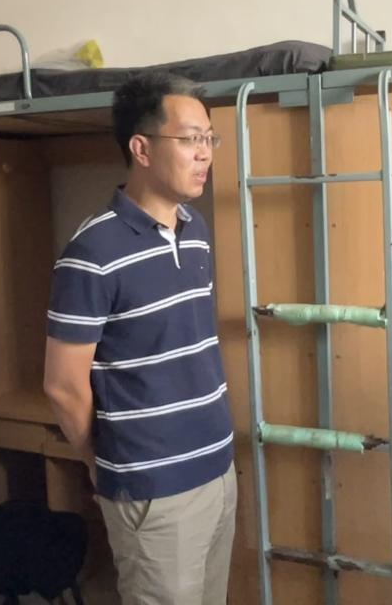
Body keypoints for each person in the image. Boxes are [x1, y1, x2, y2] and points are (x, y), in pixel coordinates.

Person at [43, 72, 236, 605]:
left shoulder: (194, 229)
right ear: (142, 148)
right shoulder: (92, 253)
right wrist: (101, 461)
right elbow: (63, 386)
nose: (205, 153)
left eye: (209, 139)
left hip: (218, 468)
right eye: (191, 138)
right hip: (154, 489)